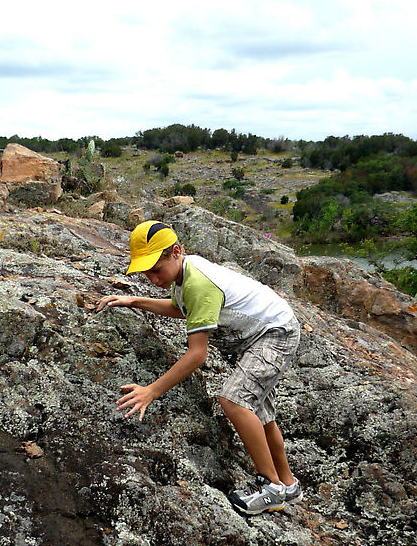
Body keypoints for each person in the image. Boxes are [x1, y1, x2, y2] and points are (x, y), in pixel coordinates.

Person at [95, 220, 302, 515]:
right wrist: (134, 301)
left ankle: (271, 488)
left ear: (175, 252)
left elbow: (197, 356)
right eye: (146, 273)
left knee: (234, 400)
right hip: (266, 333)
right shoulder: (186, 274)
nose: (153, 279)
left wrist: (151, 391)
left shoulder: (198, 282)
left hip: (275, 334)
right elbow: (183, 309)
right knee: (259, 412)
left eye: (156, 269)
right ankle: (288, 482)